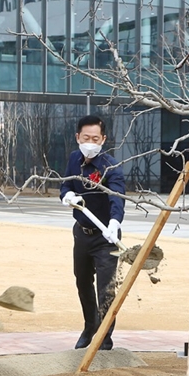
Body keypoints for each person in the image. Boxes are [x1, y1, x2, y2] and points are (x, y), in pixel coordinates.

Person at [59, 115, 126, 350]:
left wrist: (115, 222)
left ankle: (105, 337)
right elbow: (66, 184)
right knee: (83, 282)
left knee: (106, 289)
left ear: (103, 139)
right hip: (82, 233)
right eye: (86, 137)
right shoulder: (74, 159)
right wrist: (66, 195)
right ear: (78, 137)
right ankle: (90, 327)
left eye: (95, 138)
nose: (90, 142)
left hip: (106, 236)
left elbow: (116, 196)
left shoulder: (110, 167)